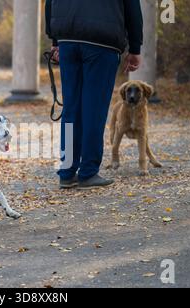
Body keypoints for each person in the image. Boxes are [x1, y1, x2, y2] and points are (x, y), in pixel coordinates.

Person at [45, 0, 144, 189]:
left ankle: (66, 172)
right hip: (102, 41)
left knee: (71, 109)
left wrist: (55, 39)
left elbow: (50, 3)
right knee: (94, 110)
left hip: (68, 39)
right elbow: (132, 7)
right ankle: (88, 173)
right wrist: (135, 48)